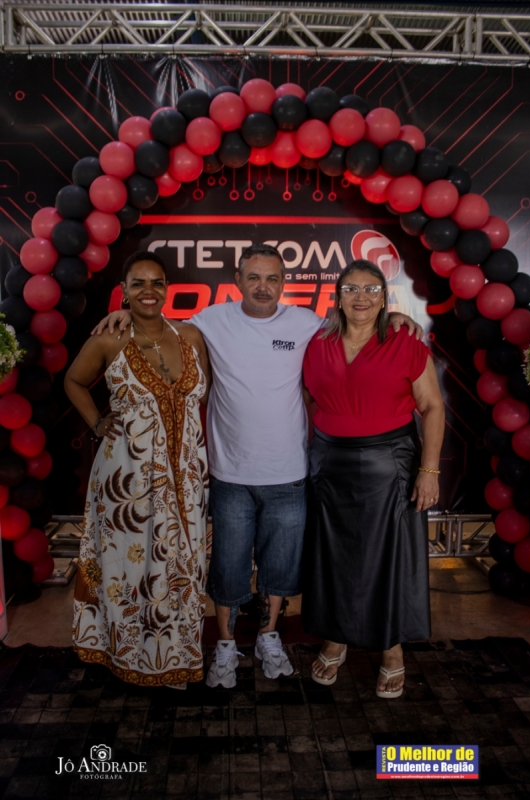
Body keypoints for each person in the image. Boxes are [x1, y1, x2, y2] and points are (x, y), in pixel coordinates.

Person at [94, 244, 420, 689]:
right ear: (238, 280)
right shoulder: (210, 321)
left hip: (289, 475)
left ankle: (268, 637)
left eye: (272, 279)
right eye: (253, 278)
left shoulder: (306, 324)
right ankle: (226, 645)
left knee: (279, 570)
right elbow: (161, 326)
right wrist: (128, 314)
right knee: (228, 569)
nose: (263, 287)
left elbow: (358, 320)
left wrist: (396, 317)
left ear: (284, 283)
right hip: (230, 476)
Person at [65, 251, 210, 688]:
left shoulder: (191, 335)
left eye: (157, 282)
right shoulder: (109, 339)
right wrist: (97, 422)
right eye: (138, 283)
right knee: (129, 569)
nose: (149, 291)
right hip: (125, 480)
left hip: (186, 479)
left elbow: (202, 396)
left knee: (183, 566)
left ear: (167, 289)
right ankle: (126, 656)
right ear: (124, 291)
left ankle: (175, 658)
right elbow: (73, 380)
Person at [301, 259, 445, 698]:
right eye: (351, 289)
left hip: (390, 462)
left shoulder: (405, 341)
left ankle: (391, 648)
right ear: (338, 298)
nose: (360, 297)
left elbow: (432, 407)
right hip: (329, 463)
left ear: (384, 298)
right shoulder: (316, 342)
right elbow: (310, 397)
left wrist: (429, 470)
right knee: (334, 555)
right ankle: (337, 638)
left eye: (370, 289)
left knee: (389, 557)